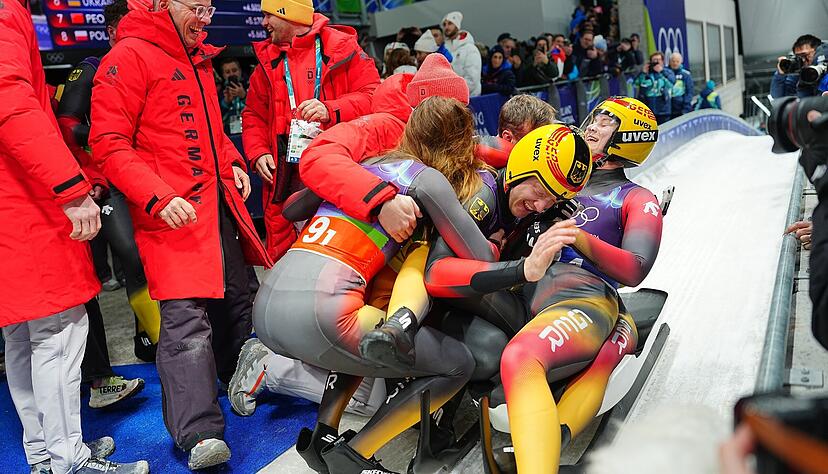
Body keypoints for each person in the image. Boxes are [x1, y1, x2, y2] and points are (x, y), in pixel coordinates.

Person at [255, 96, 502, 473]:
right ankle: (354, 455)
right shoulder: (425, 178)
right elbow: (479, 258)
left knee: (373, 330)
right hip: (324, 312)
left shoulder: (363, 164)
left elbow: (291, 208)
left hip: (268, 304)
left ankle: (324, 432)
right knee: (457, 363)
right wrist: (496, 237)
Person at [228, 54, 472, 423]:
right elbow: (317, 157)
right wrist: (381, 201)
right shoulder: (385, 129)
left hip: (310, 285)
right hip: (329, 292)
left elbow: (297, 205)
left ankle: (280, 361)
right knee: (376, 398)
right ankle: (273, 367)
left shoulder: (411, 145)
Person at [89, 0, 272, 468]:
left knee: (238, 300)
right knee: (185, 320)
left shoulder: (195, 57)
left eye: (210, 7)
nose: (206, 18)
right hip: (169, 215)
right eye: (197, 7)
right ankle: (198, 433)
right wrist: (156, 195)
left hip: (216, 209)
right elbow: (108, 145)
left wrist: (232, 162)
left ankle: (239, 382)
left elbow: (213, 132)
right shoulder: (127, 57)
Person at [1, 0, 149, 472]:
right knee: (58, 333)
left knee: (22, 336)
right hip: (22, 201)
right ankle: (69, 460)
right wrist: (70, 186)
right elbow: (13, 105)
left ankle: (45, 454)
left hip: (13, 199)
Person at [496, 97, 663, 473]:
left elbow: (635, 269)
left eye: (606, 123)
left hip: (584, 297)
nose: (593, 125)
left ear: (630, 138)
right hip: (523, 284)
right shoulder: (556, 173)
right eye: (596, 116)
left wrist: (576, 237)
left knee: (536, 357)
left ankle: (547, 443)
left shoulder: (637, 198)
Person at [56, 0, 154, 404]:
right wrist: (102, 142)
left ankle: (147, 339)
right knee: (127, 259)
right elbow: (66, 124)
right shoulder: (93, 67)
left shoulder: (147, 64)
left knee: (145, 261)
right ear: (113, 31)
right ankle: (103, 375)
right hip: (99, 186)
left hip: (140, 178)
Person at [243, 0, 380, 262]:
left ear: (287, 13)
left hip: (339, 168)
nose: (263, 23)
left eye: (267, 15)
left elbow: (373, 96)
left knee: (344, 252)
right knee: (290, 259)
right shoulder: (266, 61)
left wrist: (331, 109)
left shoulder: (342, 48)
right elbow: (253, 115)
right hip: (285, 176)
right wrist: (258, 151)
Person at [441, 10, 482, 97]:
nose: (446, 27)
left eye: (450, 23)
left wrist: (453, 93)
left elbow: (472, 80)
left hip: (470, 99)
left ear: (457, 25)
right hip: (449, 100)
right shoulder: (443, 49)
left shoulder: (470, 48)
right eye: (444, 24)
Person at [771, 34, 823, 99]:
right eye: (798, 56)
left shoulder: (824, 69)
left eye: (805, 55)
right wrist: (780, 74)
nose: (802, 60)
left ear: (818, 52)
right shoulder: (797, 75)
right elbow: (778, 97)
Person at [635, 51, 675, 123]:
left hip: (663, 110)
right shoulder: (646, 73)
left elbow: (671, 85)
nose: (656, 62)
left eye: (659, 60)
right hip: (648, 110)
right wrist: (643, 73)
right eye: (654, 60)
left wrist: (662, 72)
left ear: (662, 61)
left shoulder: (667, 72)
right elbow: (636, 84)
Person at [218, 57, 248, 134]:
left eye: (234, 70)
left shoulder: (252, 87)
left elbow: (259, 110)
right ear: (223, 75)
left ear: (240, 71)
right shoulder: (219, 93)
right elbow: (216, 119)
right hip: (228, 135)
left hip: (249, 131)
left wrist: (244, 96)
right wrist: (226, 102)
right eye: (227, 72)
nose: (232, 74)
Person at [667, 52, 695, 120]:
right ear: (670, 62)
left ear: (681, 62)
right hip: (668, 109)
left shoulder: (685, 74)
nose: (675, 63)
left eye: (677, 61)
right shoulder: (665, 73)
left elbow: (689, 91)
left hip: (681, 108)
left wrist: (686, 108)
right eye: (673, 61)